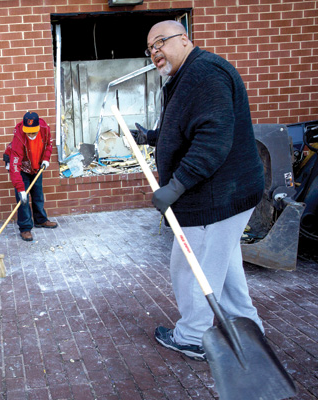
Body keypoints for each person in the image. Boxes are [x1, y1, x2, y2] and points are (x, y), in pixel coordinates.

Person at [134, 20, 265, 361]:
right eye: (150, 49)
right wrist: (151, 137)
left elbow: (212, 140)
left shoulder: (205, 74)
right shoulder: (187, 76)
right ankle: (247, 327)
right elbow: (189, 127)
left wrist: (175, 187)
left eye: (161, 42)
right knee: (223, 264)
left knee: (192, 266)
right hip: (226, 195)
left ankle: (193, 337)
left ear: (185, 40)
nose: (155, 53)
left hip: (215, 198)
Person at [6, 111, 57, 242]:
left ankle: (40, 220)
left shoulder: (45, 129)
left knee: (38, 194)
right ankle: (25, 228)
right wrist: (20, 189)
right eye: (28, 132)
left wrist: (46, 159)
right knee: (23, 199)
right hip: (22, 168)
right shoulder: (19, 137)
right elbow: (15, 166)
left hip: (36, 166)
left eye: (33, 132)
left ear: (38, 127)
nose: (31, 135)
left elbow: (49, 145)